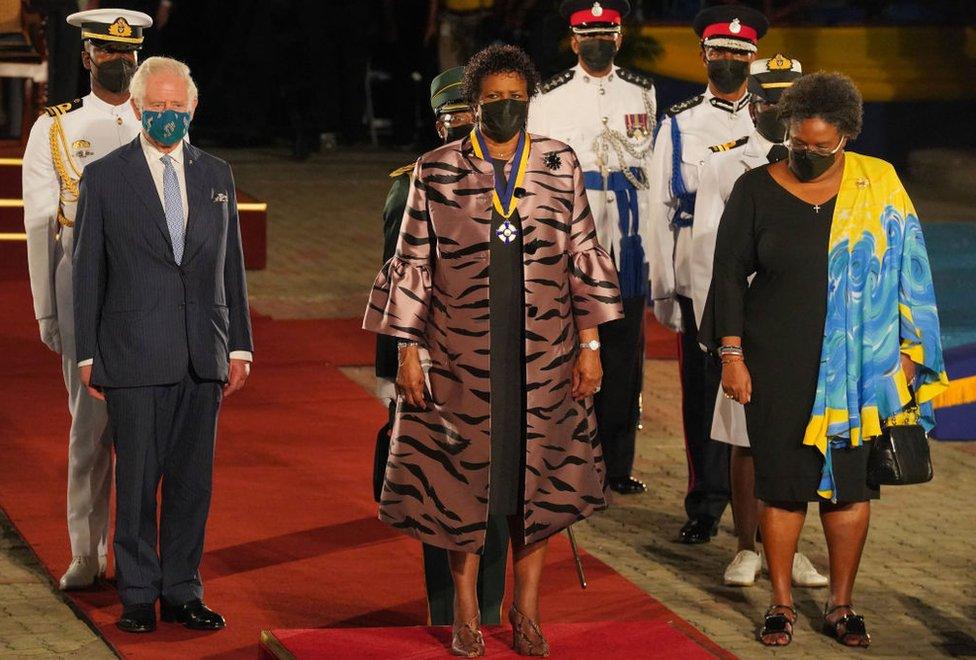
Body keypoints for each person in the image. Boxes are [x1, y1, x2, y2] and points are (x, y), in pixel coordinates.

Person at [363, 44, 623, 657]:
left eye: (516, 100)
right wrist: (405, 351)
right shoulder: (437, 168)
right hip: (461, 360)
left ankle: (526, 611)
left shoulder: (559, 163)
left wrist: (591, 344)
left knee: (538, 487)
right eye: (493, 101)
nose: (505, 109)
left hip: (545, 355)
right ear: (473, 106)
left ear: (529, 101)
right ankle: (464, 612)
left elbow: (583, 258)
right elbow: (413, 266)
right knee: (459, 488)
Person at [700, 71, 948, 647]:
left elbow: (912, 265)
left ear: (847, 137)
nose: (807, 154)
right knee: (782, 485)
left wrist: (909, 357)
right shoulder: (755, 189)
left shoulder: (878, 182)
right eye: (797, 143)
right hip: (775, 356)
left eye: (821, 146)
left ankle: (841, 605)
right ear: (785, 129)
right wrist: (731, 356)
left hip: (862, 362)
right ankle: (782, 603)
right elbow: (730, 276)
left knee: (849, 488)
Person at [73, 56, 254, 634]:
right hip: (132, 353)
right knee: (137, 480)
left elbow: (232, 265)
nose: (168, 116)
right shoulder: (104, 177)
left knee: (191, 483)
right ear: (138, 106)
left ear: (193, 108)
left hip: (204, 353)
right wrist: (85, 353)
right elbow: (87, 273)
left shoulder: (216, 175)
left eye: (178, 107)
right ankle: (136, 593)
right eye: (158, 106)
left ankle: (181, 590)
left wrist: (240, 346)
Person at [374, 66, 511, 627]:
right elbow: (396, 277)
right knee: (442, 485)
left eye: (471, 115)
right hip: (438, 364)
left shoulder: (517, 178)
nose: (463, 126)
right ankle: (445, 607)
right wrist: (394, 371)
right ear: (438, 123)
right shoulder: (411, 184)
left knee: (500, 487)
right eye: (454, 117)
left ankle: (494, 608)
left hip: (505, 360)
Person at [22, 8, 153, 591]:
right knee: (89, 424)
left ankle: (139, 555)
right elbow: (39, 224)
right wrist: (47, 309)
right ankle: (85, 550)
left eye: (127, 53)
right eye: (106, 51)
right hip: (86, 286)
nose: (119, 61)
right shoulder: (54, 128)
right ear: (87, 57)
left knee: (146, 432)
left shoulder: (161, 117)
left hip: (149, 290)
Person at [691, 55, 827, 589]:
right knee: (745, 438)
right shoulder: (726, 165)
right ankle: (747, 546)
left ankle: (788, 550)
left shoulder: (820, 166)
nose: (773, 109)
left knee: (797, 438)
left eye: (784, 101)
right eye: (766, 99)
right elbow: (710, 256)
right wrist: (725, 338)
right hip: (744, 325)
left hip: (796, 322)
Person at [646, 4, 767, 545]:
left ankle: (767, 505)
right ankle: (706, 503)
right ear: (703, 56)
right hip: (702, 275)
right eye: (719, 53)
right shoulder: (679, 124)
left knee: (765, 391)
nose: (728, 62)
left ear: (753, 57)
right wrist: (664, 286)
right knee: (703, 394)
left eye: (738, 54)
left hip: (765, 280)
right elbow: (658, 208)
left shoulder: (775, 116)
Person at [528, 0, 655, 496]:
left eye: (607, 33)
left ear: (619, 38)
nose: (597, 41)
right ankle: (564, 459)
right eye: (588, 34)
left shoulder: (642, 92)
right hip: (570, 240)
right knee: (566, 350)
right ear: (574, 40)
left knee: (624, 356)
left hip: (627, 241)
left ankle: (617, 465)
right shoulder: (548, 97)